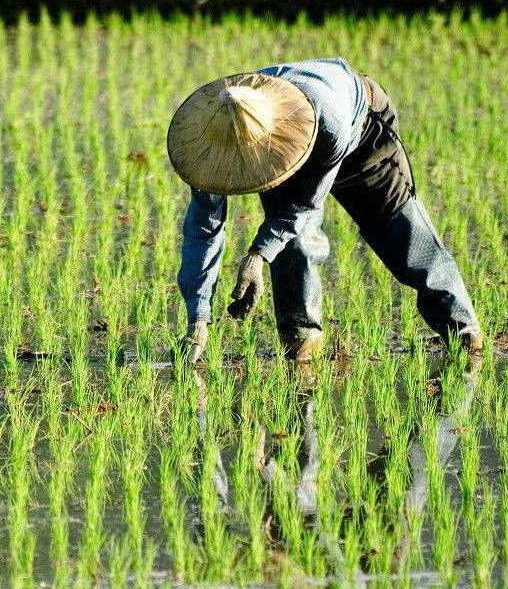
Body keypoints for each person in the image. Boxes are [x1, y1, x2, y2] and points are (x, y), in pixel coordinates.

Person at [167, 58, 482, 363]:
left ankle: (464, 334)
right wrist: (198, 317)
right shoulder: (208, 149)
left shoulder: (328, 119)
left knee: (398, 233)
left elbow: (303, 204)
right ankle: (301, 348)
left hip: (360, 130)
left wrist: (257, 256)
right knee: (293, 244)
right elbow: (202, 229)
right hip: (282, 142)